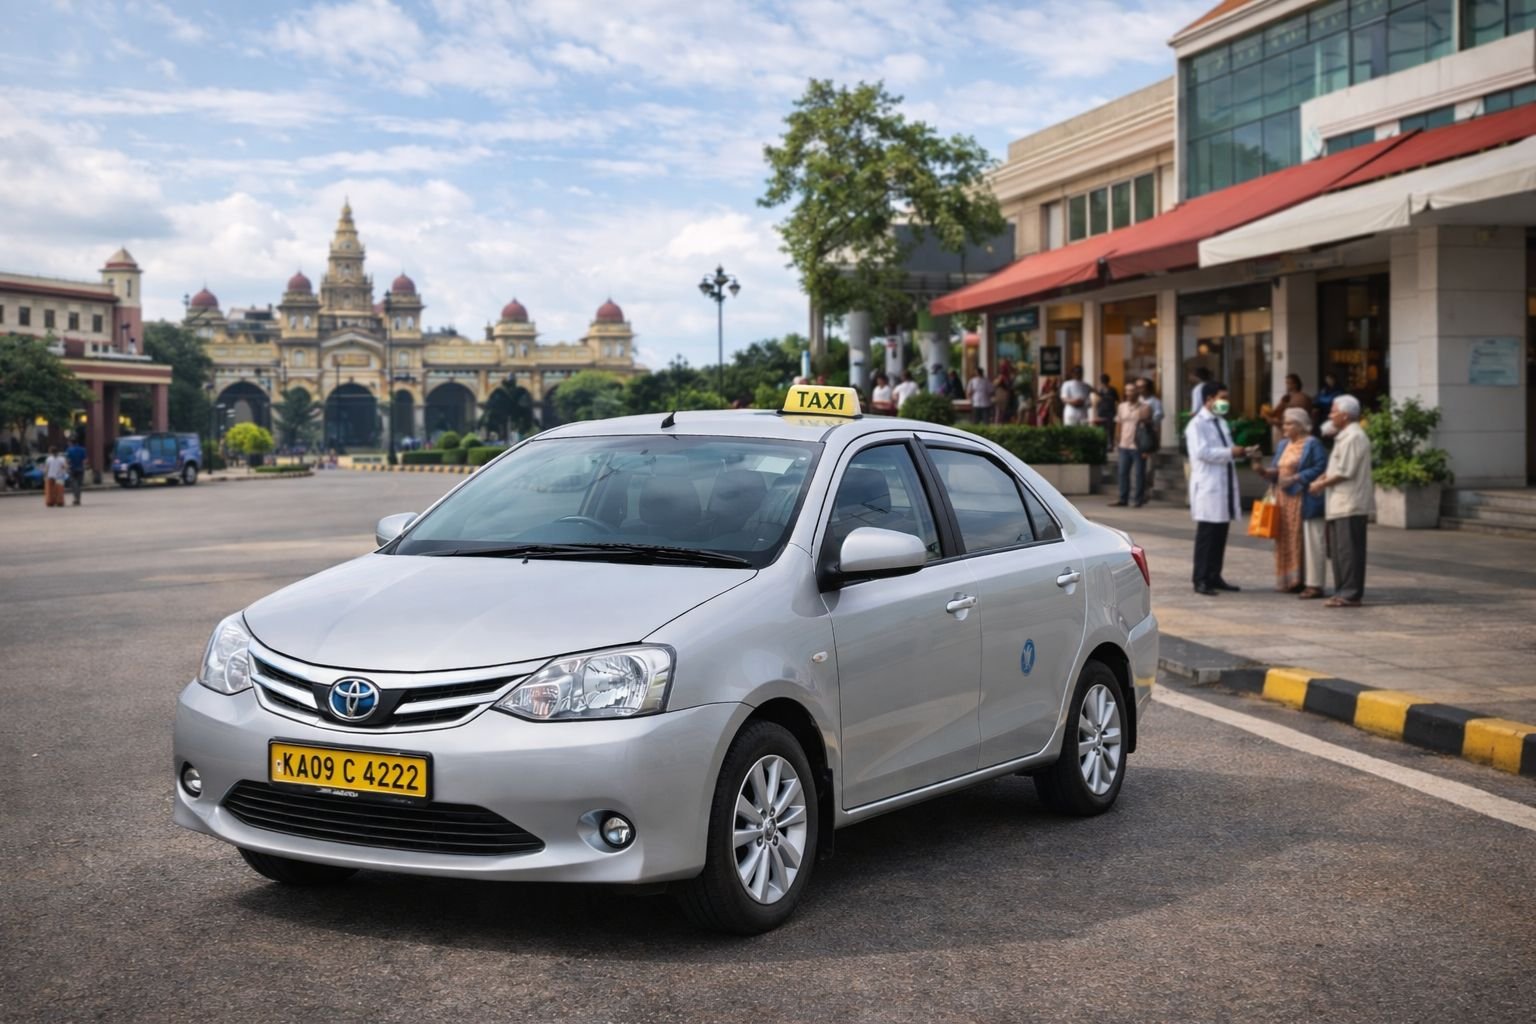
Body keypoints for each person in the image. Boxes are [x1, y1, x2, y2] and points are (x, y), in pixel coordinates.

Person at [1185, 383, 1251, 596]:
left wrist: (1239, 452)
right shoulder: (1196, 424)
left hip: (1223, 483)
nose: (1225, 402)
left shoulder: (1221, 422)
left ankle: (1215, 575)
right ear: (1209, 398)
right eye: (1222, 398)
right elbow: (1202, 452)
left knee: (1221, 533)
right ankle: (1201, 579)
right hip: (1208, 485)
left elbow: (1225, 450)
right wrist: (1231, 452)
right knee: (1207, 535)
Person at [1254, 408, 1328, 594]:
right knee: (1284, 538)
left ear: (1300, 425)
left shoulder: (1312, 444)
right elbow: (1276, 470)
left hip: (1302, 498)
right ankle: (1289, 580)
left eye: (1288, 423)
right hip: (1282, 498)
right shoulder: (1283, 444)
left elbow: (1322, 467)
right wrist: (1261, 470)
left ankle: (1306, 581)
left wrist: (1297, 478)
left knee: (1303, 540)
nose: (1283, 427)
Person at [1309, 394, 1373, 607]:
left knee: (1349, 551)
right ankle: (1342, 590)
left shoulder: (1354, 436)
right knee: (1338, 551)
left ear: (1345, 416)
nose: (1330, 415)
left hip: (1350, 503)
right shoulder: (1344, 435)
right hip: (1339, 503)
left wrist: (1320, 484)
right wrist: (1322, 478)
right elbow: (1336, 468)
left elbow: (1345, 471)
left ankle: (1350, 593)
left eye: (1334, 411)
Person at [1109, 380, 1152, 507]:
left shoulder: (1145, 407)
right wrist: (1116, 440)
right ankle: (1123, 499)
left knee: (1139, 474)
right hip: (1124, 444)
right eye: (1127, 391)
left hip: (1138, 445)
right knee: (1122, 473)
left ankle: (1138, 500)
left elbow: (1149, 429)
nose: (1129, 393)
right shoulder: (1121, 407)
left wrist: (1147, 448)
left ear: (1138, 392)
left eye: (1132, 391)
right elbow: (1119, 423)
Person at [1265, 374, 1314, 439]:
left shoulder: (1301, 398)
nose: (1287, 385)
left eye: (1288, 383)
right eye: (1286, 383)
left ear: (1295, 384)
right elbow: (1275, 413)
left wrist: (1275, 421)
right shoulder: (1286, 398)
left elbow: (1297, 420)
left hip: (1296, 434)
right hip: (1284, 433)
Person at [65, 435, 88, 506]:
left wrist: (67, 467)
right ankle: (78, 499)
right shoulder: (83, 449)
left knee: (74, 485)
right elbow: (85, 460)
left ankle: (76, 498)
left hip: (72, 469)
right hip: (80, 469)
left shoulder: (69, 450)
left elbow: (68, 461)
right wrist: (84, 466)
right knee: (79, 485)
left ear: (71, 442)